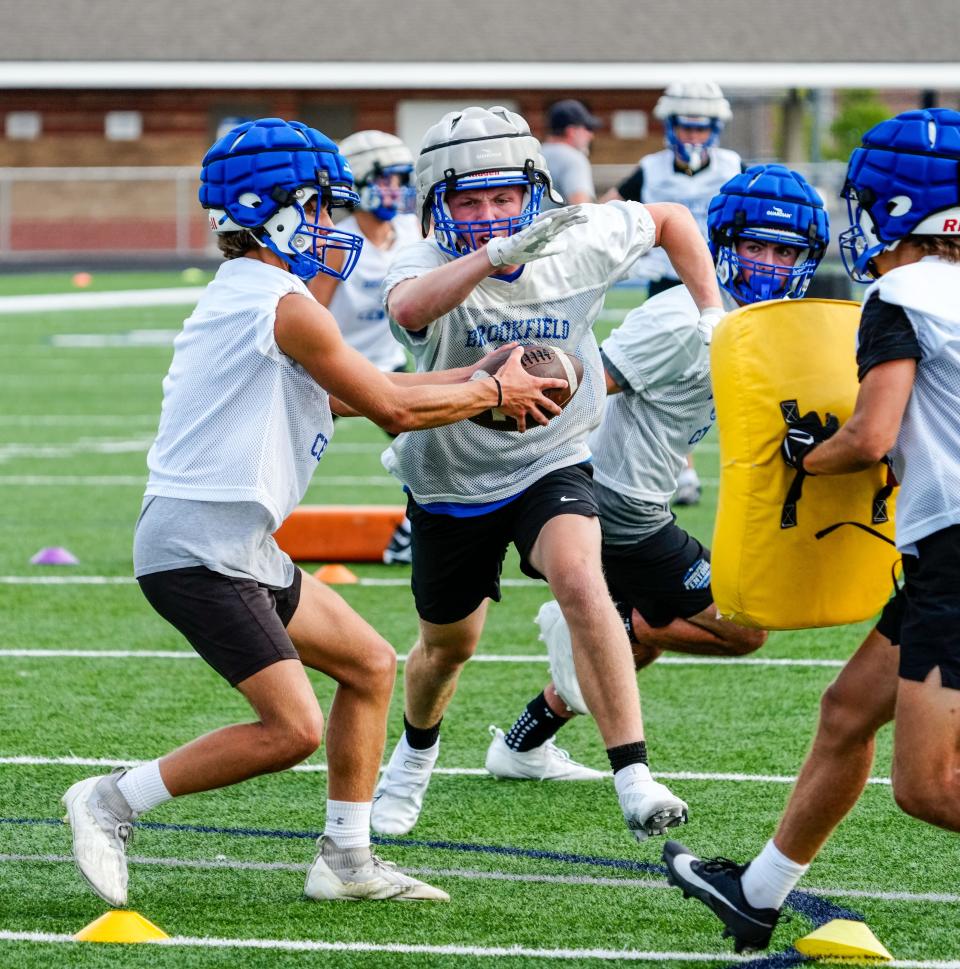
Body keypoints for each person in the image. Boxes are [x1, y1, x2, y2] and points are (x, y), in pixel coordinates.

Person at [60, 117, 566, 909]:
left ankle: (347, 858)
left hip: (236, 540)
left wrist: (470, 373)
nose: (333, 225)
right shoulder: (283, 304)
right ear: (276, 210)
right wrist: (493, 392)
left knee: (368, 665)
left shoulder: (266, 296)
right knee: (289, 728)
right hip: (198, 545)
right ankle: (111, 798)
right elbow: (393, 410)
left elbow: (354, 392)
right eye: (321, 207)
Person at [370, 104, 725, 843]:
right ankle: (411, 759)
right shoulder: (424, 262)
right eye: (470, 200)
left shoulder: (579, 237)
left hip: (552, 458)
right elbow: (407, 306)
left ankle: (634, 773)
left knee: (581, 578)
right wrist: (492, 256)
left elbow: (669, 221)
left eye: (505, 197)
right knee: (447, 647)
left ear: (533, 191)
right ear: (437, 206)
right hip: (450, 480)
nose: (492, 213)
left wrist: (710, 310)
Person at [663, 107, 960, 954]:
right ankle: (756, 894)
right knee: (844, 711)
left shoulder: (899, 292)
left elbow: (869, 436)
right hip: (946, 550)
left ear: (896, 207)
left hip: (956, 553)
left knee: (931, 787)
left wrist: (808, 456)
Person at [486, 164, 830, 782]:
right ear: (724, 247)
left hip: (639, 495)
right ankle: (598, 620)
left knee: (643, 644)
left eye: (786, 251)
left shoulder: (751, 321)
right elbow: (586, 390)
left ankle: (522, 744)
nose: (770, 264)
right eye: (755, 246)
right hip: (618, 501)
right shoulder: (679, 320)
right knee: (742, 630)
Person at [604, 81, 741, 505]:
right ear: (670, 127)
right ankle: (680, 467)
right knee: (663, 379)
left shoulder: (734, 165)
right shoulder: (652, 168)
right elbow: (608, 206)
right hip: (666, 285)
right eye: (686, 128)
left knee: (716, 377)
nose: (693, 137)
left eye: (702, 129)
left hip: (721, 286)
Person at [310, 129, 421, 564]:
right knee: (288, 453)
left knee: (432, 450)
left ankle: (412, 533)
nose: (395, 189)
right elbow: (311, 310)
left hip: (388, 365)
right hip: (329, 372)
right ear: (356, 182)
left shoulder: (411, 231)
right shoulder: (338, 242)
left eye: (400, 178)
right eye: (386, 179)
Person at [540, 98, 601, 209]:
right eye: (587, 128)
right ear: (571, 131)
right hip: (556, 226)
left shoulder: (536, 153)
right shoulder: (573, 159)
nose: (591, 135)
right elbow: (582, 208)